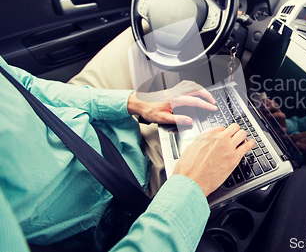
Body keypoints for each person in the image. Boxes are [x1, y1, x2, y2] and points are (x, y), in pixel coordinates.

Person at [0, 55, 254, 251]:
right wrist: (190, 188)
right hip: (115, 203)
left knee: (164, 14)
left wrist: (135, 102)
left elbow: (26, 85)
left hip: (105, 133)